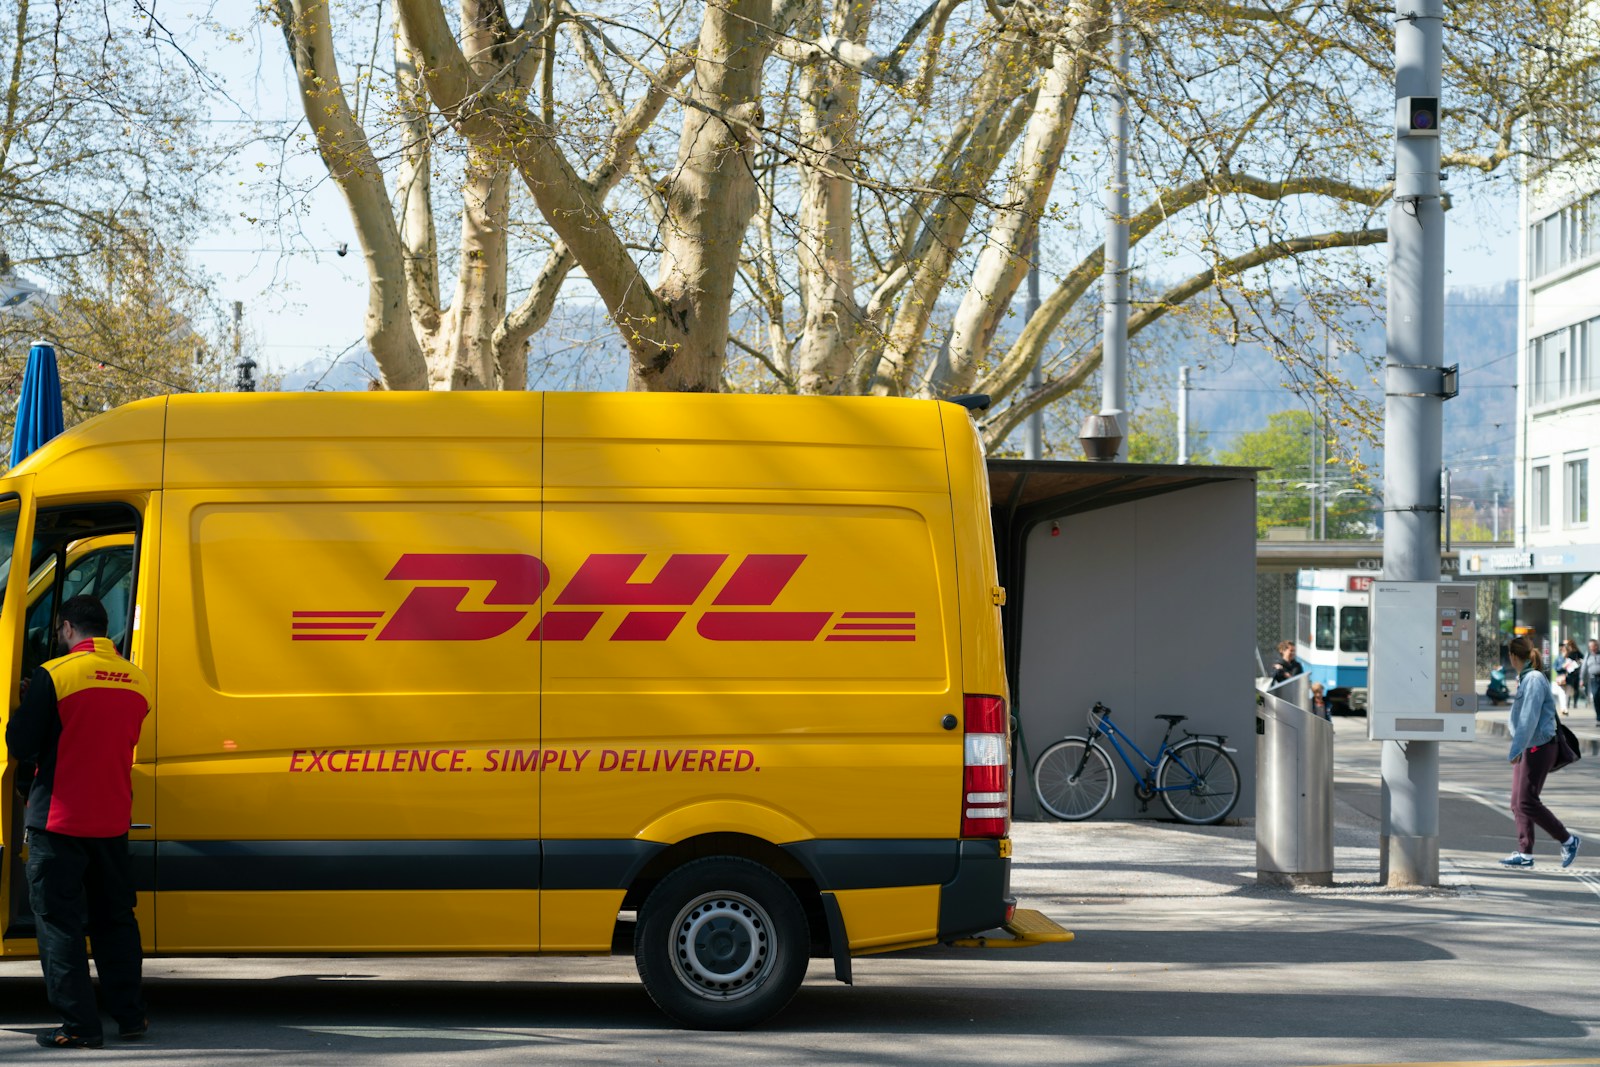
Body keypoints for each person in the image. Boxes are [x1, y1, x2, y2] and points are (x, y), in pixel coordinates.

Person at [4, 596, 153, 1049]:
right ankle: (130, 1018)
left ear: (68, 627)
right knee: (115, 920)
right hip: (111, 818)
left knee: (59, 923)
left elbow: (20, 742)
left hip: (60, 819)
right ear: (103, 629)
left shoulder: (55, 674)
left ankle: (79, 1027)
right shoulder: (138, 679)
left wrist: (32, 703)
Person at [1499, 634, 1581, 870]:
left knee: (1526, 801)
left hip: (1539, 746)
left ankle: (1567, 839)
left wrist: (1515, 749)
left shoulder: (1533, 679)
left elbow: (1528, 719)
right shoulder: (1525, 677)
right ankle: (1525, 853)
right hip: (1529, 745)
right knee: (1517, 802)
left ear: (1513, 656)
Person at [1585, 639, 1600, 724]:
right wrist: (1581, 679)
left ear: (1596, 646)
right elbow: (1584, 668)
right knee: (1596, 697)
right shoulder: (1588, 656)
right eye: (1589, 646)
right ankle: (1598, 717)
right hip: (1593, 679)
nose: (1591, 648)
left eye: (1592, 646)